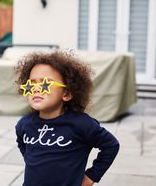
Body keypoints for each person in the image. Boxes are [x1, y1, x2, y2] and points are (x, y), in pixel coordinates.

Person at [15, 51, 120, 186]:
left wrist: (91, 176)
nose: (36, 89)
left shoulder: (81, 124)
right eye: (31, 84)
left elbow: (110, 145)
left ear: (66, 93)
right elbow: (22, 144)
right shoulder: (24, 124)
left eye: (45, 83)